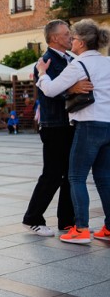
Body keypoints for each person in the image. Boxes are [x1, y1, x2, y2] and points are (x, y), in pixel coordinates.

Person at [35, 19, 110, 244]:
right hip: (108, 125)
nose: (72, 41)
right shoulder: (107, 62)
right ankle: (108, 228)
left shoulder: (79, 65)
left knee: (76, 176)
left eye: (74, 37)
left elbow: (49, 90)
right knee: (105, 179)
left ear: (83, 42)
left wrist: (41, 73)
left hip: (88, 125)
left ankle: (81, 229)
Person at [22, 19, 86, 237]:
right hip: (54, 125)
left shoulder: (71, 58)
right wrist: (72, 88)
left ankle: (66, 221)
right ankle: (32, 218)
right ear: (55, 38)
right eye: (67, 34)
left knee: (70, 174)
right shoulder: (45, 61)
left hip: (70, 123)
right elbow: (48, 91)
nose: (71, 37)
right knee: (52, 173)